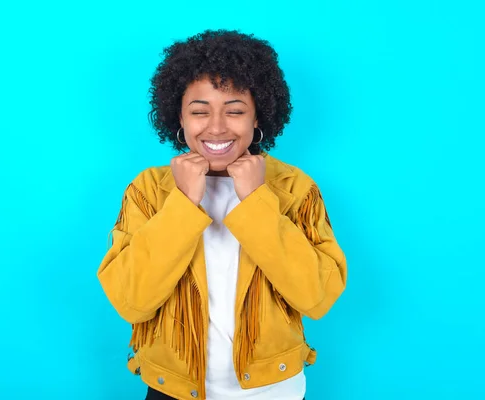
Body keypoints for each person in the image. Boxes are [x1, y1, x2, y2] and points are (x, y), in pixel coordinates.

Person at [97, 29, 347, 400]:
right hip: (173, 388)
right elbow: (131, 300)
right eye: (199, 111)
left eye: (235, 111)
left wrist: (256, 201)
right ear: (178, 118)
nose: (216, 126)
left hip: (275, 390)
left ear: (258, 116)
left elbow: (316, 297)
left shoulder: (294, 189)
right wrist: (182, 202)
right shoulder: (149, 190)